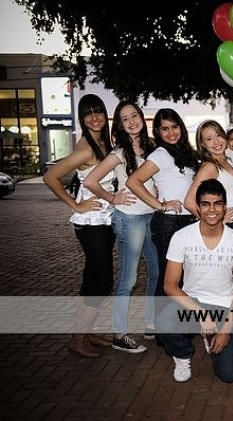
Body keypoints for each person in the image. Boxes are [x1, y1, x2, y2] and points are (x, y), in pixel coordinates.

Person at [43, 93, 117, 358]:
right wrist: (76, 205)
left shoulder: (102, 142)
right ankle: (77, 338)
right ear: (82, 118)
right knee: (102, 280)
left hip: (104, 219)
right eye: (88, 113)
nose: (94, 118)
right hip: (90, 222)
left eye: (98, 111)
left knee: (93, 278)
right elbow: (51, 177)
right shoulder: (87, 148)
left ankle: (87, 332)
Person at [156, 179, 233, 383]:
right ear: (198, 207)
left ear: (224, 207)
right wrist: (201, 313)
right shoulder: (181, 237)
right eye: (205, 204)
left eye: (217, 204)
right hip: (192, 303)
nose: (212, 210)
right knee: (163, 322)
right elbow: (170, 285)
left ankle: (213, 337)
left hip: (223, 305)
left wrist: (226, 330)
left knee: (228, 375)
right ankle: (183, 354)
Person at [84, 100, 159, 353]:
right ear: (120, 125)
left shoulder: (151, 147)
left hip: (150, 217)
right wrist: (113, 198)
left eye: (134, 115)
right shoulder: (118, 153)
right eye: (125, 119)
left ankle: (151, 324)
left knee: (157, 271)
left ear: (141, 118)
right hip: (129, 220)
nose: (131, 122)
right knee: (129, 279)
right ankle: (119, 334)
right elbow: (91, 181)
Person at [126, 108, 200, 305]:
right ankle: (162, 324)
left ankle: (173, 321)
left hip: (188, 221)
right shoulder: (160, 154)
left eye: (174, 127)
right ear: (158, 132)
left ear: (181, 127)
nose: (171, 133)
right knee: (169, 280)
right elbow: (133, 181)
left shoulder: (186, 152)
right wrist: (160, 205)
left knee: (182, 280)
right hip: (169, 223)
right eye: (165, 129)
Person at [184, 120, 233, 228]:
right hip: (229, 225)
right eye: (209, 139)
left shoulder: (230, 160)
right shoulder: (209, 167)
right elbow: (189, 202)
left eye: (218, 135)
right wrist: (215, 222)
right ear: (203, 144)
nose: (216, 142)